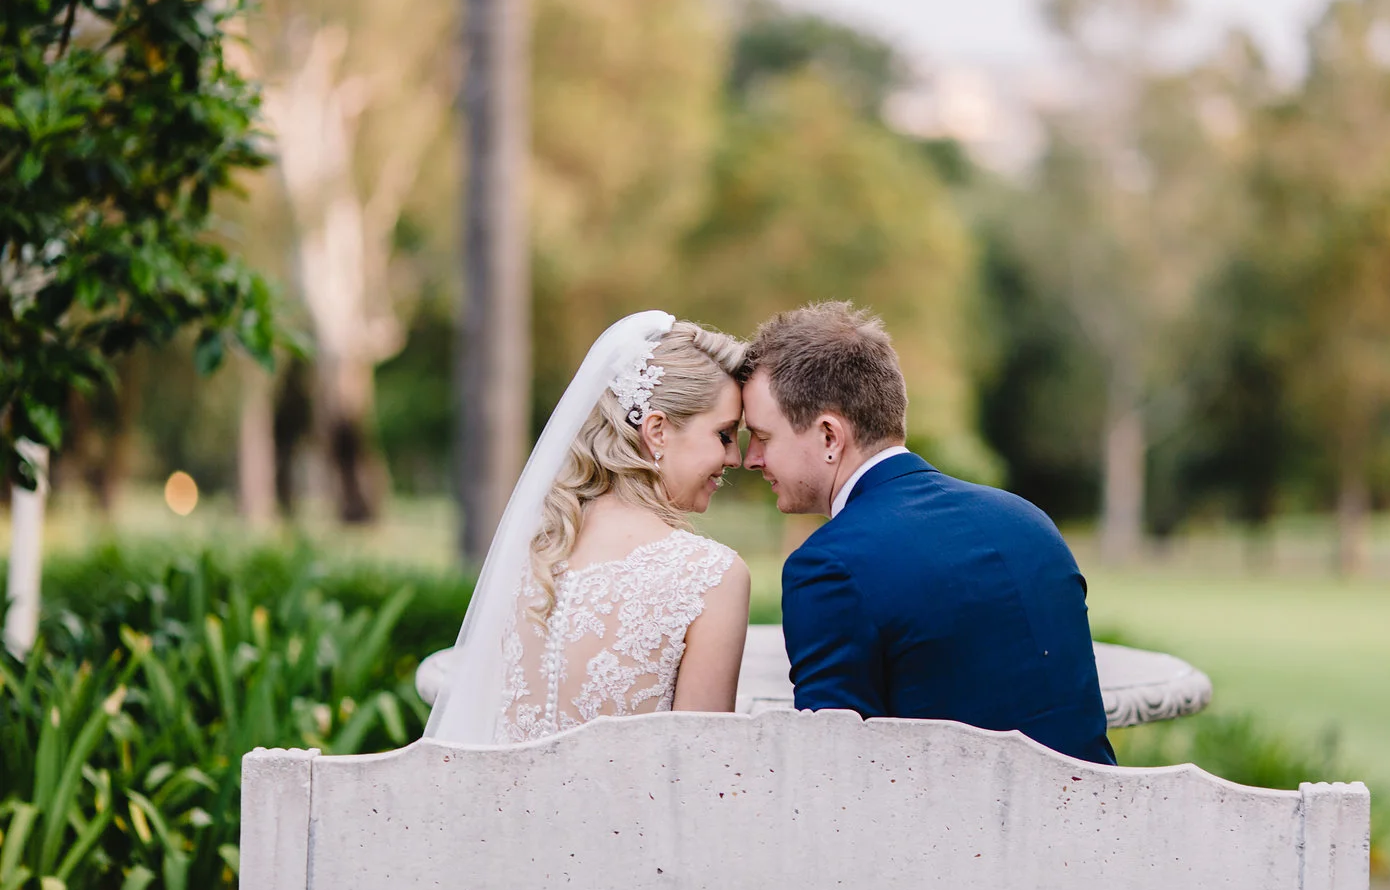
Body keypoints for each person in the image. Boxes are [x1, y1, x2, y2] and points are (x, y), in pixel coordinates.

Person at [740, 301, 1115, 764]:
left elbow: (831, 772)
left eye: (763, 437)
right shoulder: (1030, 521)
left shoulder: (829, 565)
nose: (750, 459)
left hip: (956, 813)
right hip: (1097, 809)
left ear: (830, 436)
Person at [426, 312, 752, 744]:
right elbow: (700, 763)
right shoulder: (710, 576)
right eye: (724, 435)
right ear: (657, 430)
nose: (735, 459)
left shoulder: (535, 549)